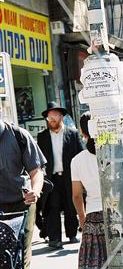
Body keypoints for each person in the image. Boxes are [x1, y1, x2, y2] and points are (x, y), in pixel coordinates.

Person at [0, 111, 46, 269]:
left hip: (23, 202)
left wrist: (35, 192)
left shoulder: (18, 136)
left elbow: (36, 171)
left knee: (20, 252)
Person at [71, 112, 112, 269]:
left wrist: (83, 220)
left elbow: (77, 196)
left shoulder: (76, 160)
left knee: (94, 264)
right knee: (116, 264)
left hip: (93, 214)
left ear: (83, 132)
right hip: (115, 213)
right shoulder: (114, 154)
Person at [37, 101, 83, 249]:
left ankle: (72, 233)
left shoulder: (72, 134)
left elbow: (80, 154)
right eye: (49, 117)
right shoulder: (42, 136)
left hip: (69, 176)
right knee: (52, 206)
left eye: (54, 116)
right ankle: (54, 238)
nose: (52, 119)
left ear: (61, 116)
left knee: (70, 205)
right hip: (51, 178)